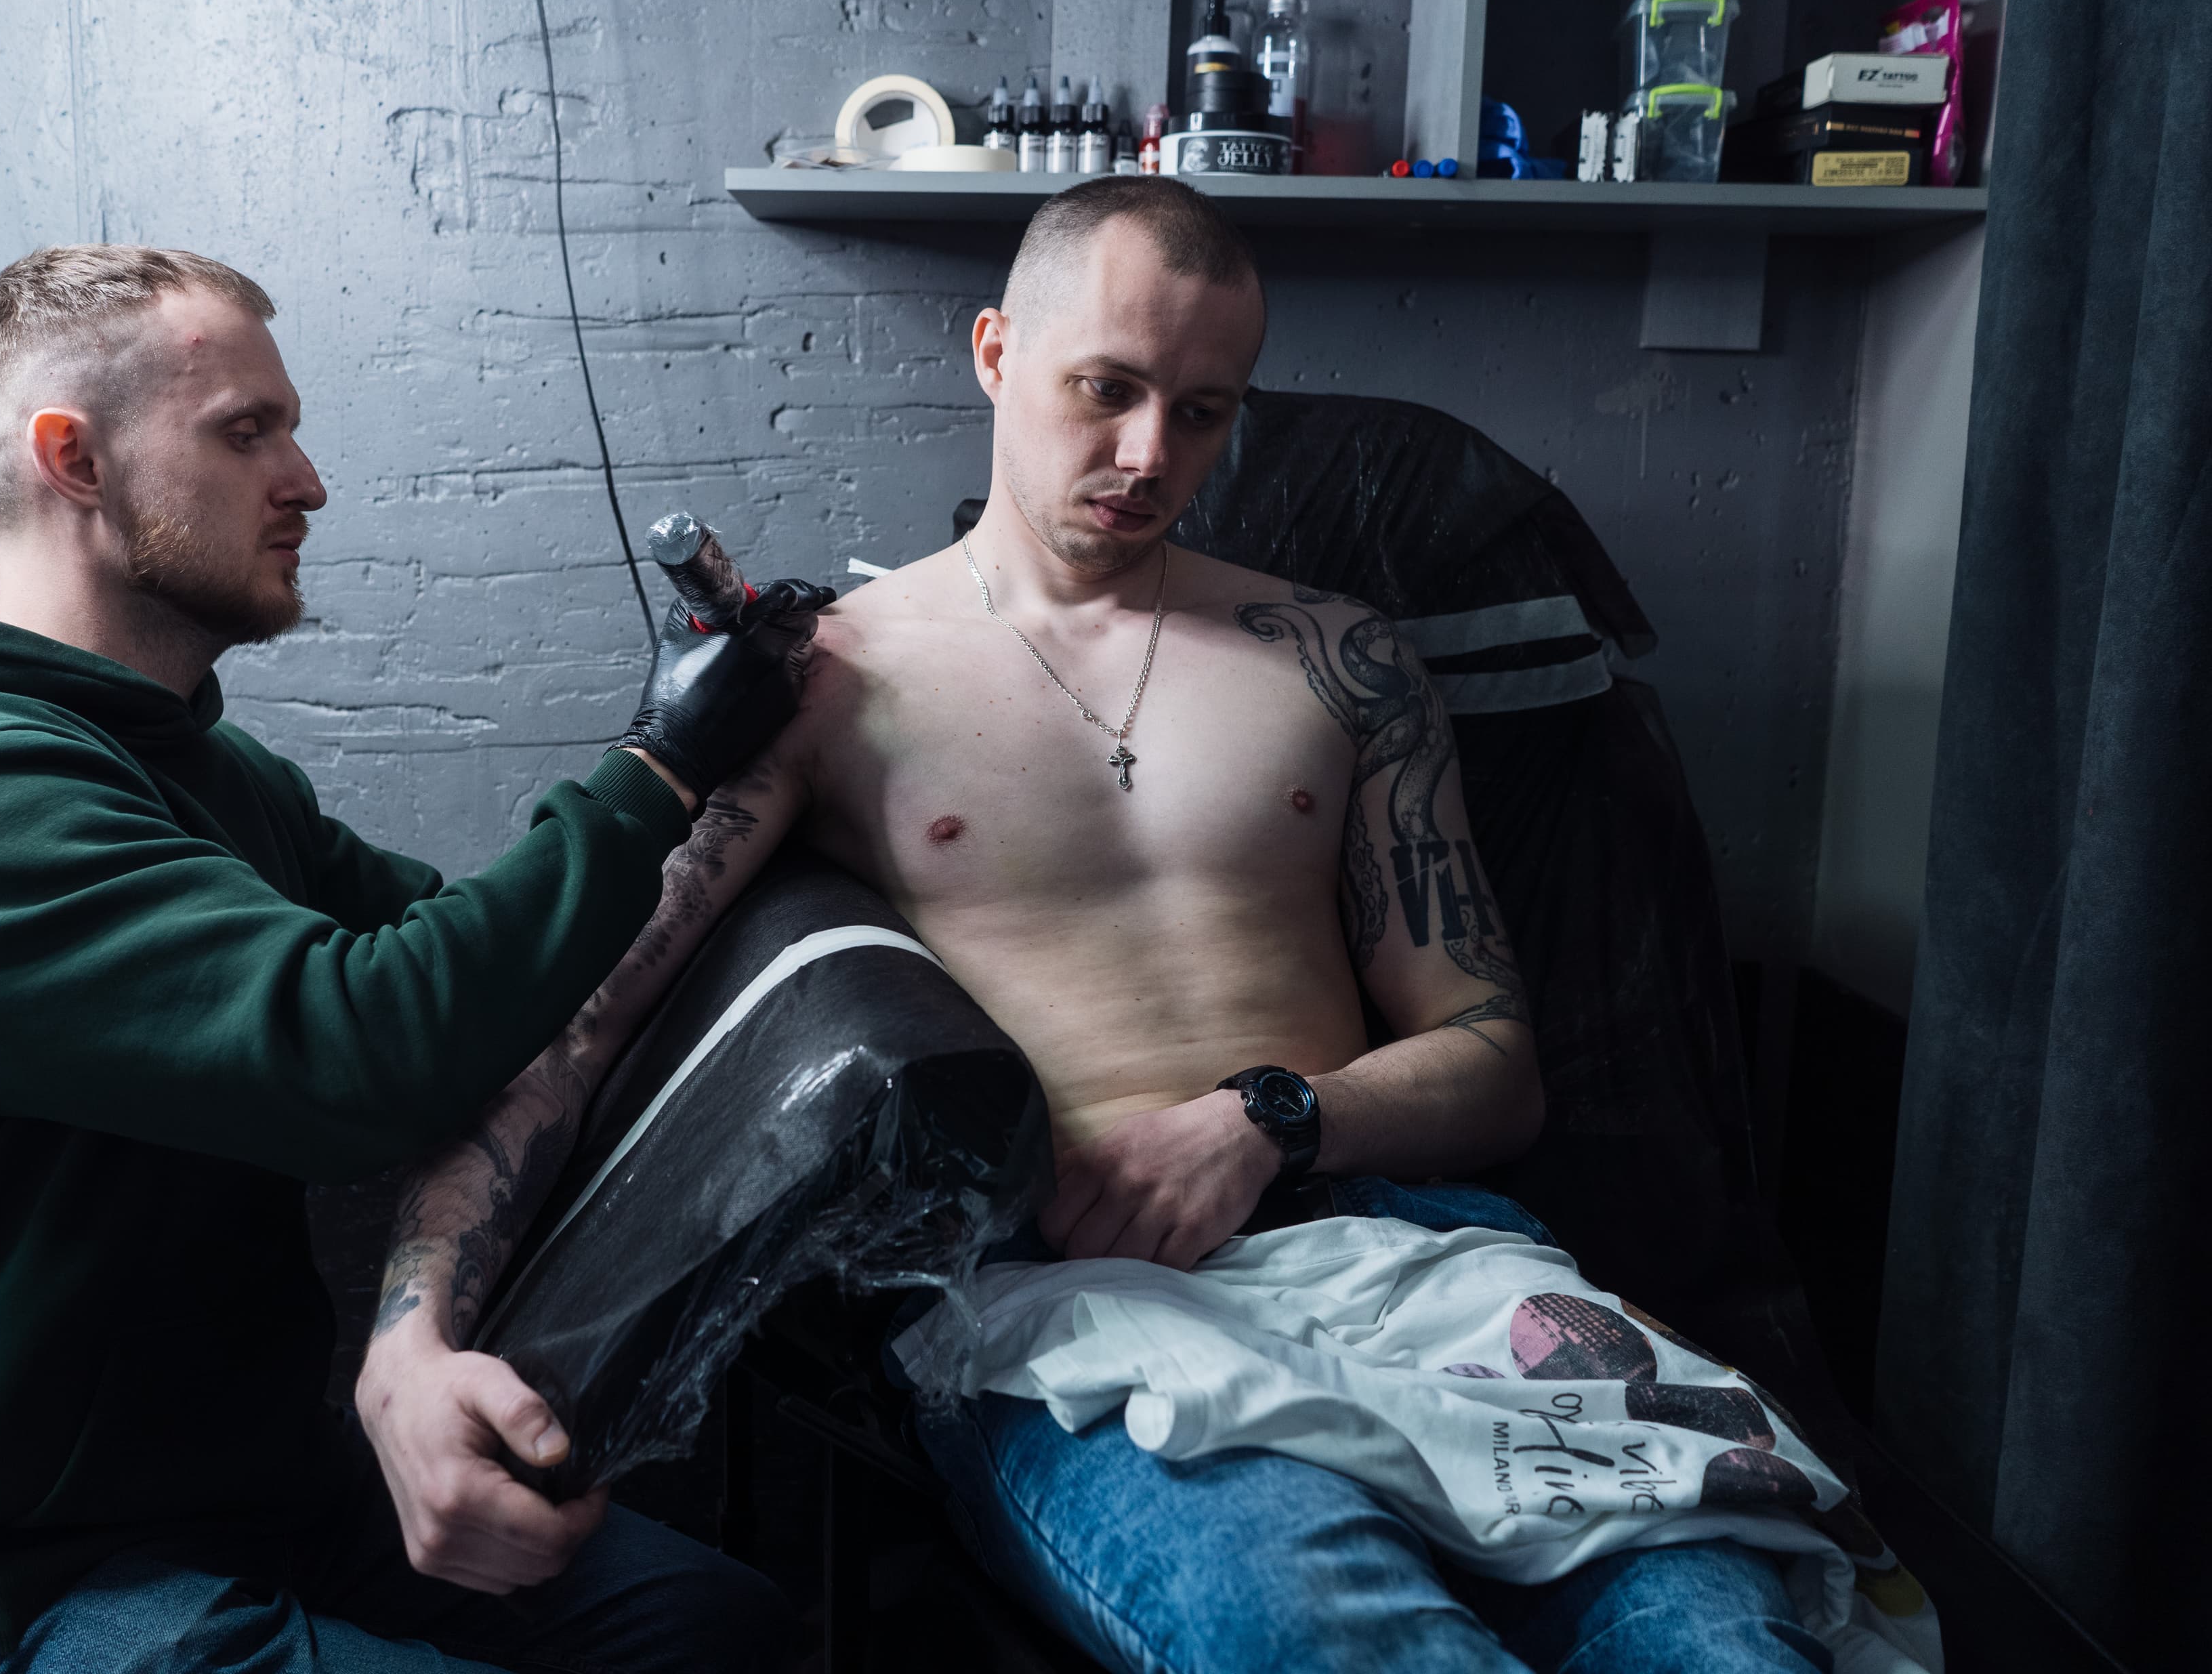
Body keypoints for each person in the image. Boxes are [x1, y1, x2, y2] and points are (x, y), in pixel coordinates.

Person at [362, 181, 1830, 1673]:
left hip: (1421, 1255)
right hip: (1078, 1306)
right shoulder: (818, 682)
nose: (1150, 457)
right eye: (1107, 391)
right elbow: (570, 1026)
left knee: (1727, 1640)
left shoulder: (1338, 656)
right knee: (1334, 1641)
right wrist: (406, 1347)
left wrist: (1272, 1116)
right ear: (996, 351)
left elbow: (1495, 1058)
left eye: (1204, 410)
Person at [0, 244, 830, 1674]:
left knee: (710, 1621)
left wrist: (719, 792)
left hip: (224, 1498)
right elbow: (357, 1048)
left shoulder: (197, 765)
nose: (306, 479)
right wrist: (662, 762)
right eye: (246, 433)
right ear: (75, 457)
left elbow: (457, 969)